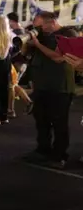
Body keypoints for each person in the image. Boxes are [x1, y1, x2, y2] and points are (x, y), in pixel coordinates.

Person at [24, 12, 78, 168]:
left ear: (52, 22)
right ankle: (43, 150)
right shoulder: (41, 36)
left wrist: (38, 44)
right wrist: (27, 43)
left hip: (60, 87)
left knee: (59, 122)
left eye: (40, 26)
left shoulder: (68, 33)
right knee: (41, 121)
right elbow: (25, 57)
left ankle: (59, 155)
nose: (39, 30)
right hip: (41, 86)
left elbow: (58, 57)